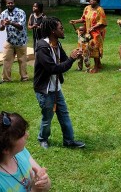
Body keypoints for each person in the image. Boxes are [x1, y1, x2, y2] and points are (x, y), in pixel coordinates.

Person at [34, 17, 85, 149]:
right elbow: (53, 69)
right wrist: (71, 59)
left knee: (63, 114)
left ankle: (69, 140)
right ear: (52, 31)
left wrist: (75, 56)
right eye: (60, 28)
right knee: (47, 117)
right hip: (45, 90)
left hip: (56, 87)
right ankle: (42, 139)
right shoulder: (42, 47)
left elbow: (63, 61)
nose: (63, 30)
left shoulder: (57, 44)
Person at [0, 112, 51, 191]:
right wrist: (34, 190)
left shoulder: (19, 153)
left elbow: (46, 184)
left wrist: (43, 182)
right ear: (6, 149)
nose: (27, 135)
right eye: (21, 135)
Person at [70, 0, 107, 73]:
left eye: (94, 0)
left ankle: (96, 67)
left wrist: (93, 27)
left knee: (95, 48)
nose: (92, 1)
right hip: (87, 32)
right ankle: (99, 64)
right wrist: (75, 21)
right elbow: (83, 19)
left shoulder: (100, 10)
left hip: (96, 33)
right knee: (85, 47)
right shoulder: (87, 8)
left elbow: (103, 22)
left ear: (97, 1)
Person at [0, 0, 29, 83]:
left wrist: (10, 22)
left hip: (21, 40)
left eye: (11, 3)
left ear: (14, 3)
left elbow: (21, 27)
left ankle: (24, 78)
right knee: (6, 59)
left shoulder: (20, 12)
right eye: (8, 3)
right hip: (9, 41)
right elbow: (0, 28)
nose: (10, 4)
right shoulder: (3, 14)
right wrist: (3, 25)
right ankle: (6, 79)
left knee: (22, 60)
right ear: (6, 4)